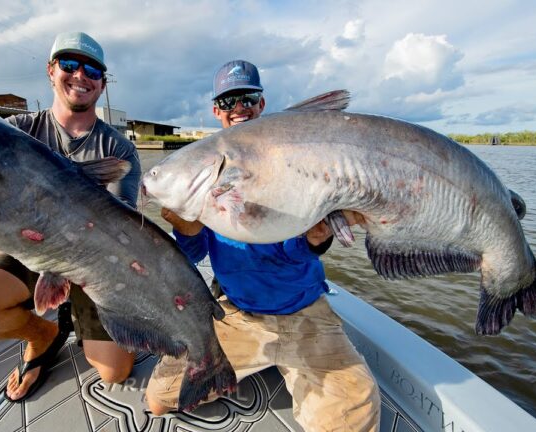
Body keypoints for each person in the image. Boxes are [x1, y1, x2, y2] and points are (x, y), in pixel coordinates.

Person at [145, 60, 380, 431]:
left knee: (356, 420)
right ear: (216, 110)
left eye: (248, 97)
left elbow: (297, 251)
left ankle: (267, 367)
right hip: (239, 314)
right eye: (228, 100)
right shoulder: (205, 167)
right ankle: (247, 363)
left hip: (305, 313)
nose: (239, 107)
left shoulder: (296, 159)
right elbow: (195, 254)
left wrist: (315, 239)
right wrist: (185, 230)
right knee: (160, 397)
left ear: (262, 103)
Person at [0, 32, 140, 402]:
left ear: (102, 82)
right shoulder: (15, 130)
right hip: (31, 249)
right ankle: (41, 334)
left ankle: (77, 316)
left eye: (92, 69)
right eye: (69, 64)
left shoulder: (118, 147)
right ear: (51, 71)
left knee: (115, 371)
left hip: (95, 260)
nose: (80, 75)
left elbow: (124, 222)